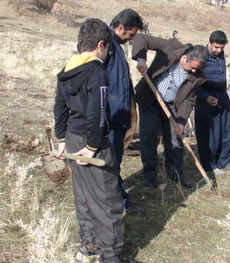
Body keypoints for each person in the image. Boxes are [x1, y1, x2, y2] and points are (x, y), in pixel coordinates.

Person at [54, 19, 125, 263]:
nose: (107, 54)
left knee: (84, 195)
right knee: (108, 200)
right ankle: (110, 256)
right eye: (107, 49)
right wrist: (93, 147)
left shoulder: (67, 69)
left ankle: (89, 245)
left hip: (73, 138)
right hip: (92, 143)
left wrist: (61, 138)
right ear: (101, 44)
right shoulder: (97, 71)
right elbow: (99, 112)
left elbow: (60, 105)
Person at [132, 33, 208, 189]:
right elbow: (141, 38)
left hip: (172, 106)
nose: (194, 71)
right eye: (192, 67)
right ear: (185, 57)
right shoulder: (171, 46)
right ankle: (150, 178)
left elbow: (188, 99)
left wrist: (181, 121)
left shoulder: (198, 76)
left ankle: (175, 174)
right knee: (149, 139)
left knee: (175, 141)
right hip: (150, 100)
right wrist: (141, 60)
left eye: (197, 69)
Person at [105, 9, 144, 216]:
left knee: (115, 161)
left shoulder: (117, 46)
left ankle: (118, 198)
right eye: (129, 35)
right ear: (120, 28)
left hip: (119, 116)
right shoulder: (104, 45)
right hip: (110, 116)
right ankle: (117, 202)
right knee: (110, 163)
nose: (130, 39)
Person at [194, 30, 230, 175]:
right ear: (209, 43)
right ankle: (210, 164)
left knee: (226, 130)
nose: (219, 51)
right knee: (209, 133)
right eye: (216, 47)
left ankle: (224, 160)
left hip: (222, 95)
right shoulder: (201, 54)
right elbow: (193, 81)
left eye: (222, 48)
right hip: (206, 96)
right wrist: (204, 96)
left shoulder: (221, 55)